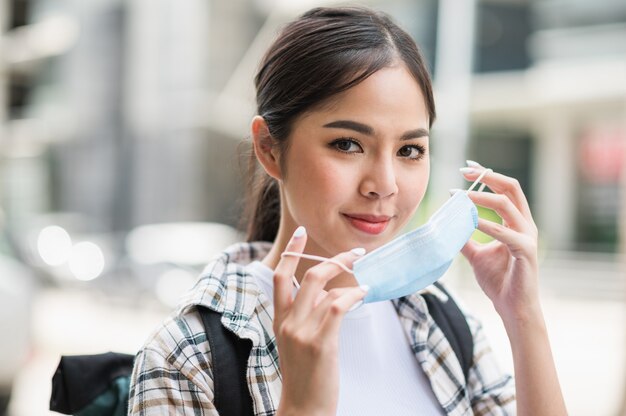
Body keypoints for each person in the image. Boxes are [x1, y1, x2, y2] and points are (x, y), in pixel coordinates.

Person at [128, 6, 567, 416]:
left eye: (410, 149)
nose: (385, 184)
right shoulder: (185, 357)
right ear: (269, 148)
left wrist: (523, 315)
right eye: (348, 144)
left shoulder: (442, 324)